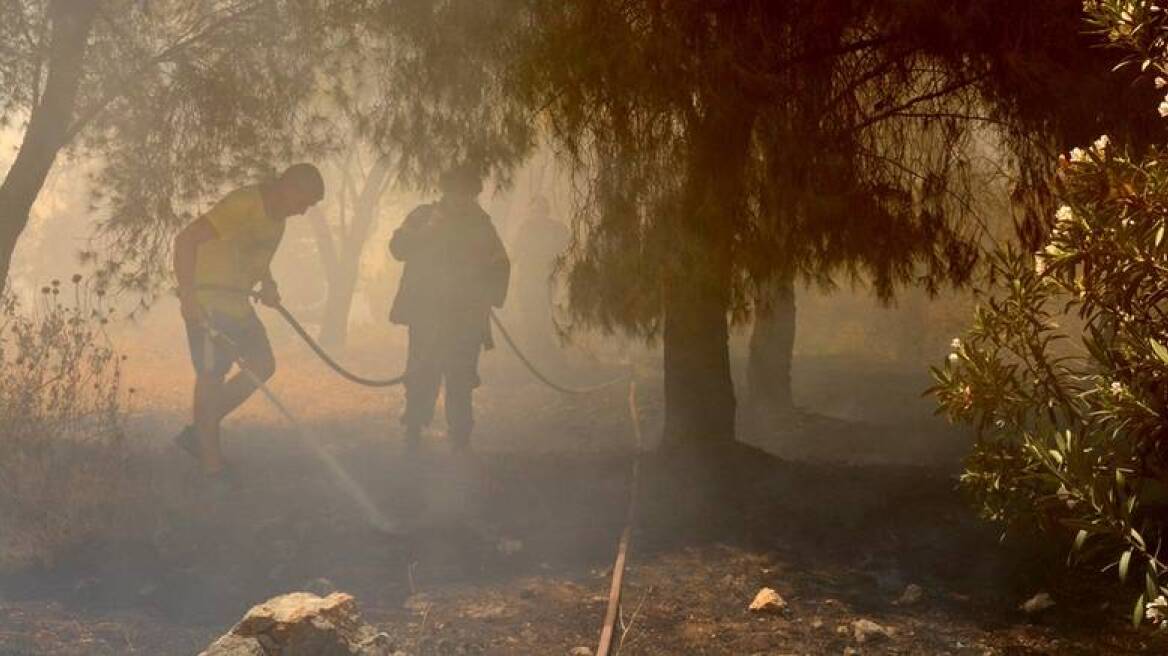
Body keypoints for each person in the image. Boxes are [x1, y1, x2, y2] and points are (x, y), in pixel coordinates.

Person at [172, 163, 325, 483]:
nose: (303, 211)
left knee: (262, 365)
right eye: (304, 202)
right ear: (289, 187)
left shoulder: (277, 222)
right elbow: (185, 240)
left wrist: (269, 284)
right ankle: (211, 468)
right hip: (208, 304)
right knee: (211, 377)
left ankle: (200, 431)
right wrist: (188, 298)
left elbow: (257, 259)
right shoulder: (243, 203)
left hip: (238, 307)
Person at [389, 163, 510, 452]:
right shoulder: (422, 217)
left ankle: (460, 435)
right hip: (426, 313)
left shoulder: (482, 225)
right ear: (446, 191)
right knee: (421, 372)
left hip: (466, 317)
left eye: (467, 193)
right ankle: (415, 428)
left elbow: (500, 264)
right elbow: (398, 249)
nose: (461, 198)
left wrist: (487, 295)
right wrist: (427, 233)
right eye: (456, 192)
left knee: (461, 376)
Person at [510, 195, 570, 363]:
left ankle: (542, 352)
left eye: (542, 210)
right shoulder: (525, 229)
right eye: (535, 210)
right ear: (531, 212)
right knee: (529, 317)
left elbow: (566, 242)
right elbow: (514, 254)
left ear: (547, 211)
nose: (538, 214)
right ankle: (532, 352)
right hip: (527, 281)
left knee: (543, 316)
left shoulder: (555, 229)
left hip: (545, 281)